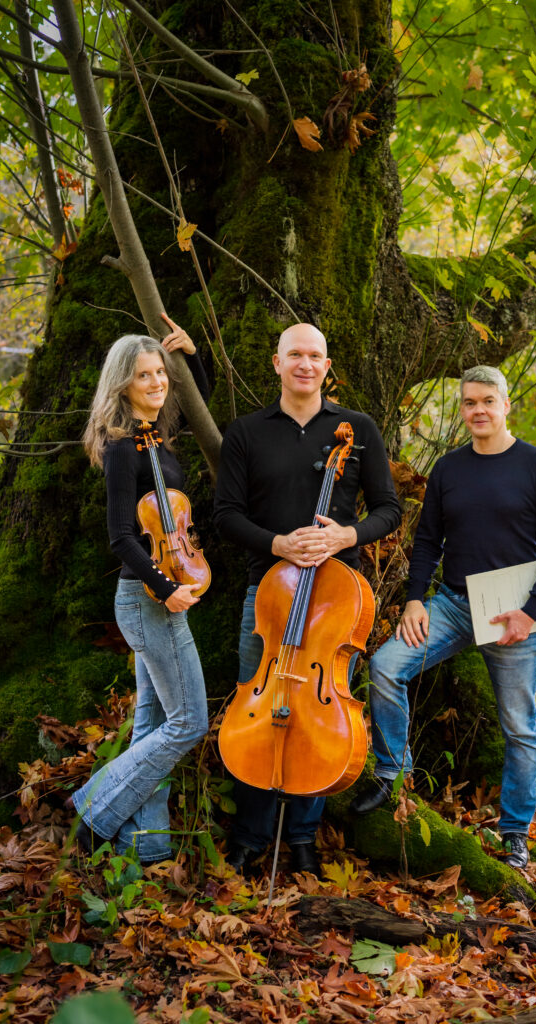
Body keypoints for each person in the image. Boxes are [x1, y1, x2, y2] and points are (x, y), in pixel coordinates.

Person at [350, 365, 536, 870]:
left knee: (519, 728)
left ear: (506, 405)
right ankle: (393, 774)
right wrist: (414, 599)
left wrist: (530, 612)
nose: (478, 410)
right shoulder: (449, 469)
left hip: (514, 612)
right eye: (470, 402)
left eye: (488, 401)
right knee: (385, 668)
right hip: (452, 604)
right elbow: (428, 539)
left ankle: (515, 833)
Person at [213, 322, 401, 875]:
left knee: (322, 718)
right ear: (277, 363)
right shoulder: (246, 433)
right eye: (294, 354)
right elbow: (225, 515)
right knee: (258, 712)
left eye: (315, 356)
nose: (305, 364)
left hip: (335, 601)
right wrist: (278, 544)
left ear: (326, 366)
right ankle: (249, 836)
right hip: (269, 596)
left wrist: (345, 536)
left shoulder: (357, 429)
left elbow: (389, 509)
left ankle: (302, 837)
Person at [71, 313, 210, 865]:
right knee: (189, 723)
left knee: (152, 725)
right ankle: (94, 808)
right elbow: (121, 537)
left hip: (163, 599)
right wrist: (166, 587)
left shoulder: (157, 438)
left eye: (160, 373)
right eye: (143, 375)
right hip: (148, 600)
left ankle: (146, 848)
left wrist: (191, 358)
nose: (156, 382)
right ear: (122, 385)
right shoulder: (122, 448)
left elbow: (199, 405)